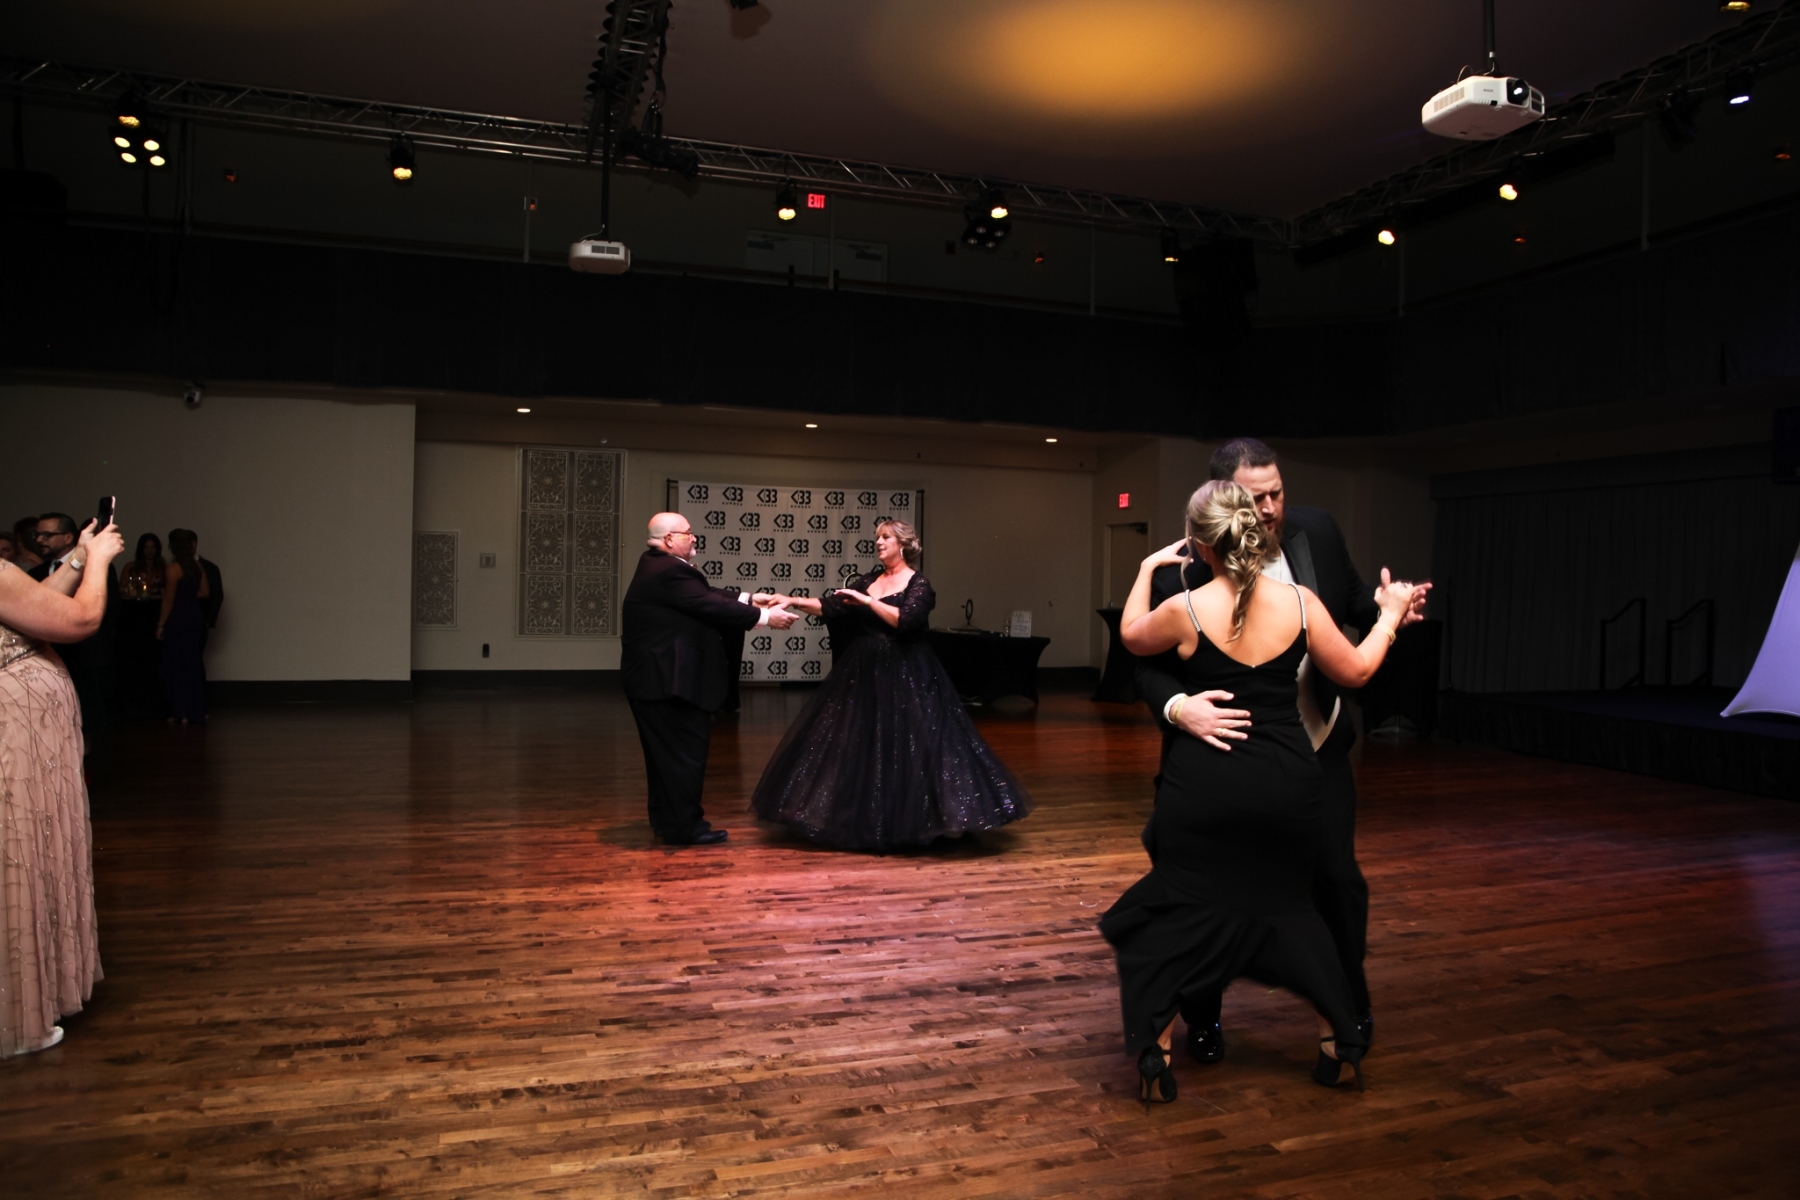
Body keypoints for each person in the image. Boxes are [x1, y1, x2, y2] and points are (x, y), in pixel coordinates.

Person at [1105, 481, 1418, 1104]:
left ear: (1199, 545)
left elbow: (1132, 636)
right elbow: (1357, 670)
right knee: (1295, 910)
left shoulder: (1186, 609)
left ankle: (1156, 1053)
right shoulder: (1300, 603)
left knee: (1180, 911)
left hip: (1207, 781)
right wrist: (1389, 615)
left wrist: (1144, 568)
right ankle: (1338, 1042)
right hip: (1286, 779)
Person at [749, 520, 1034, 851]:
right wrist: (793, 600)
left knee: (915, 743)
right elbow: (831, 606)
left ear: (903, 544)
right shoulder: (869, 580)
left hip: (906, 669)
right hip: (865, 668)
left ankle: (928, 818)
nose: (879, 542)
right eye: (877, 538)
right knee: (860, 743)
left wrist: (868, 602)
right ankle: (858, 816)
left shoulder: (919, 584)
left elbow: (906, 621)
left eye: (886, 537)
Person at [0, 515, 124, 1056]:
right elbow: (78, 620)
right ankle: (16, 1013)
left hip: (25, 739)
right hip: (13, 738)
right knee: (18, 854)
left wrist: (78, 555)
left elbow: (32, 605)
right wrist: (100, 563)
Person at [621, 512, 796, 846]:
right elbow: (706, 603)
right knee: (683, 757)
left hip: (652, 680)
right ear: (669, 539)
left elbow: (703, 593)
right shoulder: (669, 570)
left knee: (663, 759)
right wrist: (764, 617)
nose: (694, 537)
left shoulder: (658, 565)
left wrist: (747, 598)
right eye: (688, 533)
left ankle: (667, 821)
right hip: (669, 683)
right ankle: (685, 828)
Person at [31, 513, 121, 746]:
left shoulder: (97, 566)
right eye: (37, 535)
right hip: (50, 659)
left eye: (46, 535)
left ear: (68, 537)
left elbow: (107, 611)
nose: (40, 540)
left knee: (87, 719)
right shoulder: (35, 574)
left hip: (86, 655)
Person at [157, 528, 211, 723]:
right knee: (192, 663)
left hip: (178, 618)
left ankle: (180, 711)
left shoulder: (173, 569)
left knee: (177, 665)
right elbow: (205, 592)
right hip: (194, 616)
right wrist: (188, 595)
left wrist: (160, 625)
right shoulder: (198, 567)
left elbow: (169, 600)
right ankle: (196, 709)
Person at [120, 532, 166, 601]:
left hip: (158, 603)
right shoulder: (130, 567)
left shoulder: (163, 568)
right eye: (146, 547)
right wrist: (129, 590)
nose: (150, 551)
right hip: (135, 603)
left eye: (153, 547)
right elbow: (121, 588)